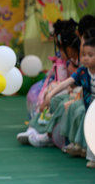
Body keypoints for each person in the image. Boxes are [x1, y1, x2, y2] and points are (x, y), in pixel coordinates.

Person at [18, 20, 78, 148]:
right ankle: (34, 128)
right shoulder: (71, 60)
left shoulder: (78, 62)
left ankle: (48, 133)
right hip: (65, 87)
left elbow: (74, 82)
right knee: (48, 96)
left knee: (57, 100)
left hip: (75, 92)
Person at [49, 33, 95, 166]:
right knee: (93, 132)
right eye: (84, 54)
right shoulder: (83, 71)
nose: (85, 58)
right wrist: (50, 94)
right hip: (90, 109)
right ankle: (93, 158)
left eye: (90, 55)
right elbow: (66, 83)